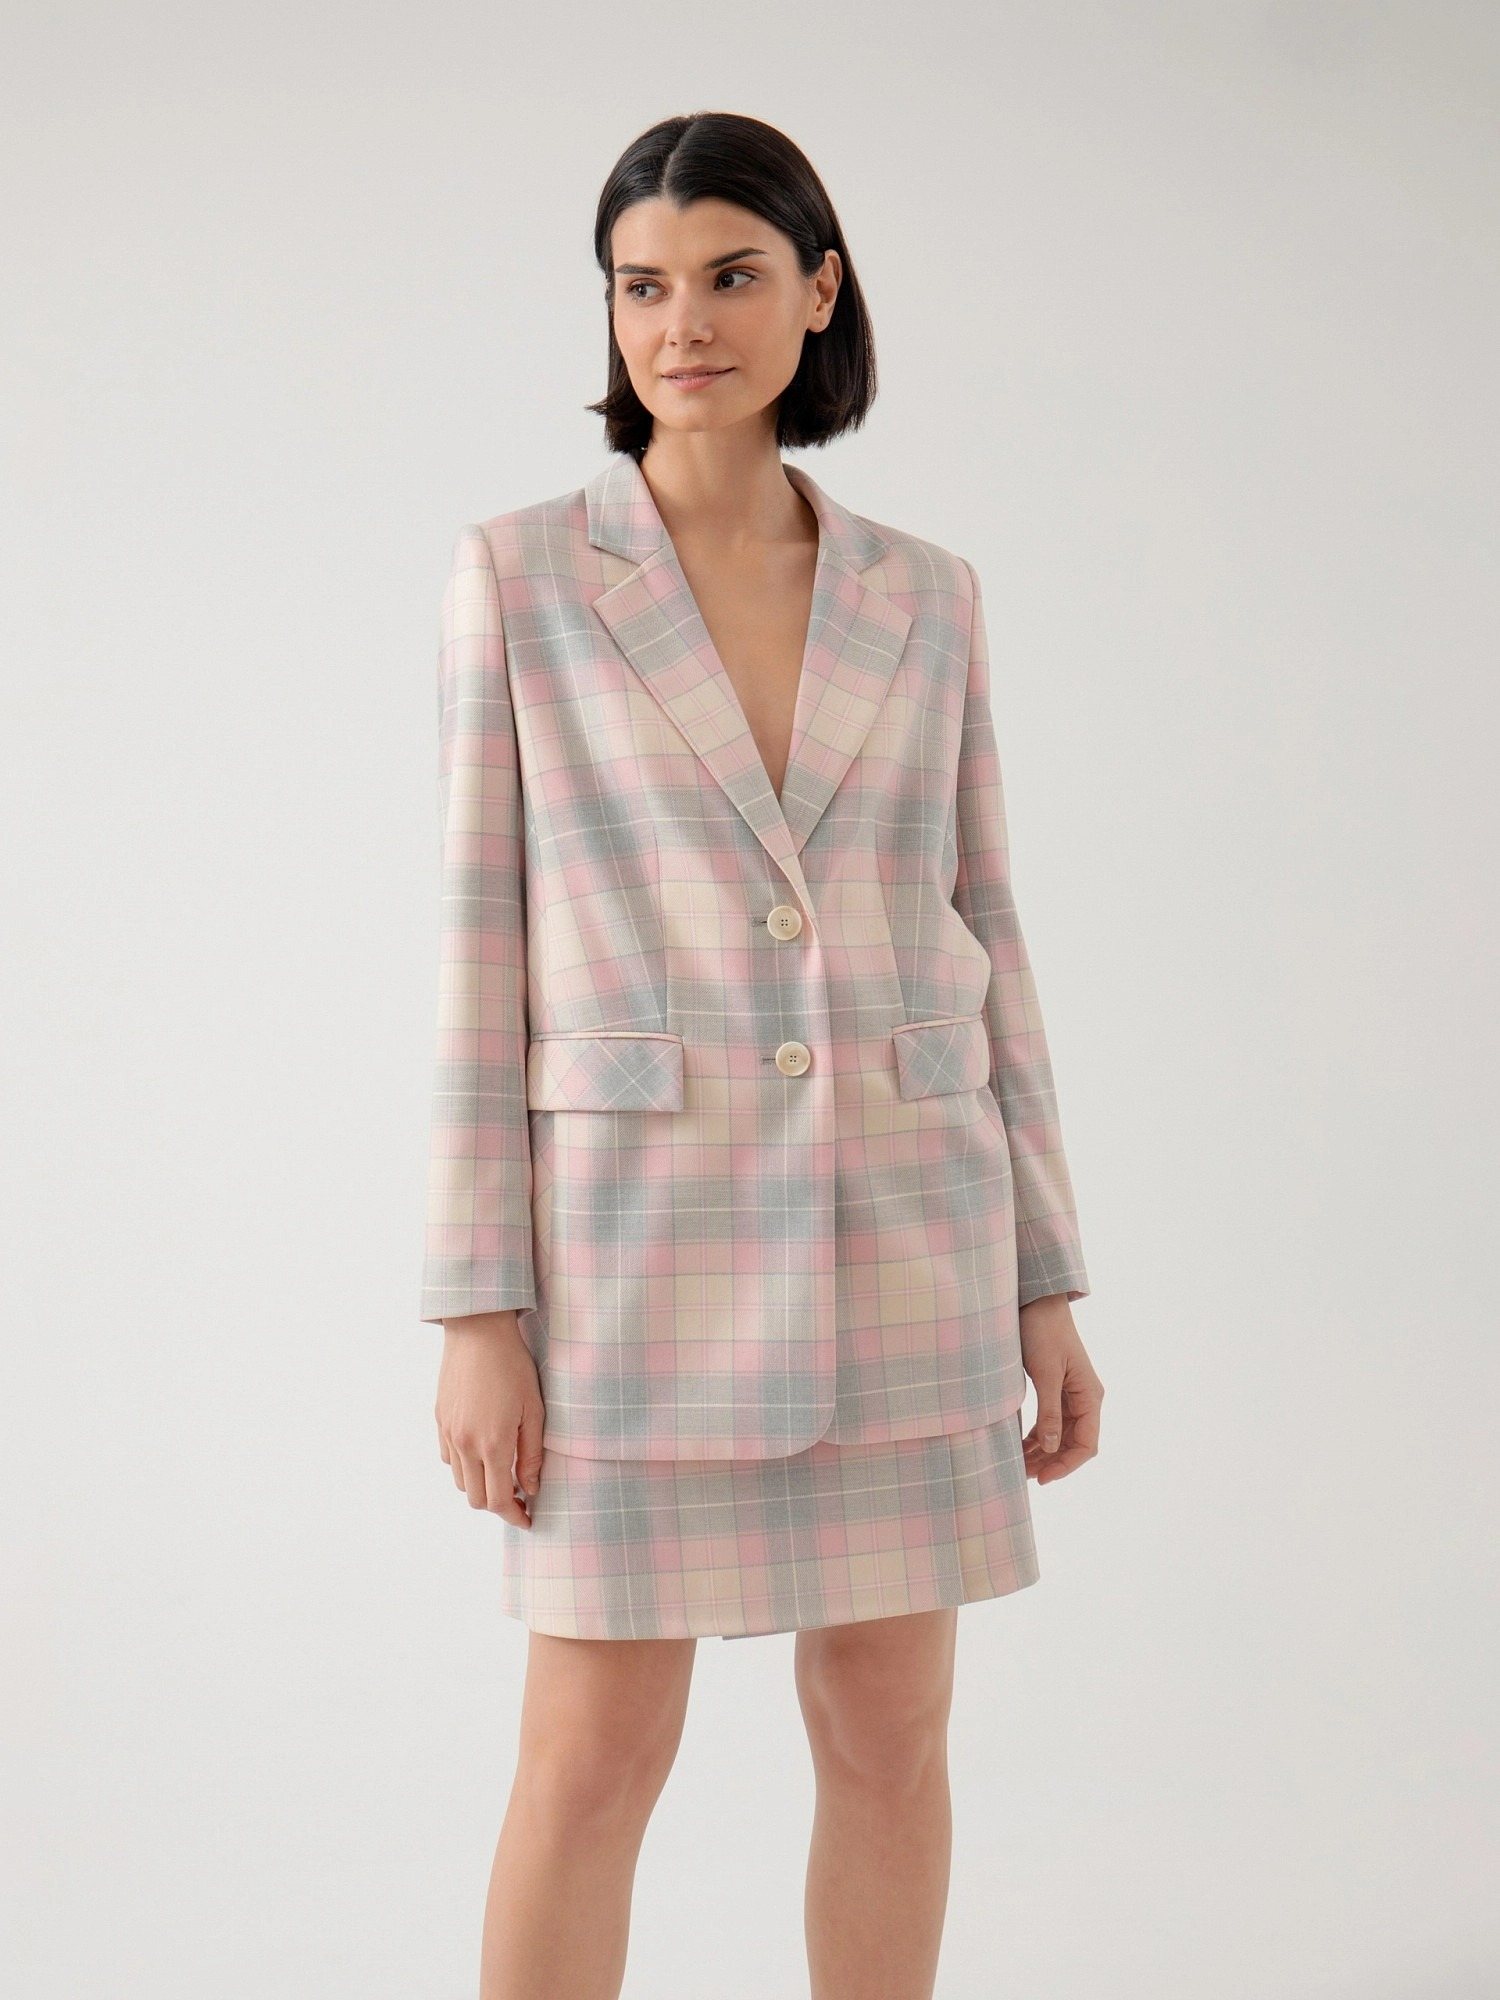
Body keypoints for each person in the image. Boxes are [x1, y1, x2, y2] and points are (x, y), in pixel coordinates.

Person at [419, 109, 1104, 2000]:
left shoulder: (926, 592)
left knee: (890, 1735)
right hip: (632, 1274)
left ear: (819, 292)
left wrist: (1046, 1277)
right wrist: (476, 1308)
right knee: (589, 1761)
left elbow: (985, 930)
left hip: (908, 1246)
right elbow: (478, 949)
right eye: (641, 286)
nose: (682, 324)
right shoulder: (520, 578)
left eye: (729, 276)